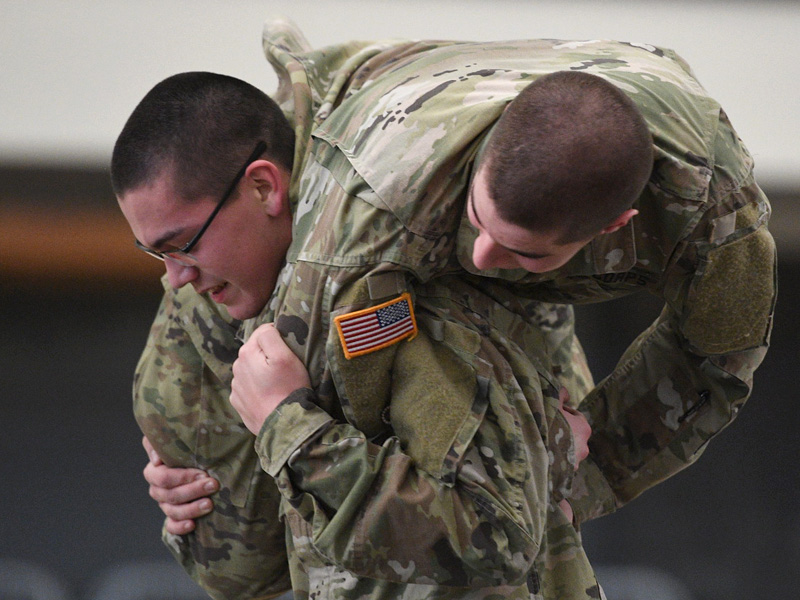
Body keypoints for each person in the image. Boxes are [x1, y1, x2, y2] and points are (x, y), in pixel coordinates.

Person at [116, 19, 776, 600]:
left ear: (614, 228)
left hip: (414, 198)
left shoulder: (719, 220)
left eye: (522, 254)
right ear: (478, 162)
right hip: (361, 154)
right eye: (478, 225)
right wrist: (258, 440)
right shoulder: (367, 222)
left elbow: (713, 366)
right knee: (273, 502)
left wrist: (583, 468)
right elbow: (258, 562)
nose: (486, 258)